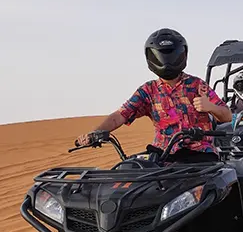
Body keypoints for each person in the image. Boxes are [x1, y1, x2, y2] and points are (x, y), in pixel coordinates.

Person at [75, 28, 232, 163]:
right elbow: (120, 115)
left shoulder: (197, 85)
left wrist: (210, 107)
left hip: (200, 155)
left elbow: (227, 116)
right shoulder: (148, 91)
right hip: (163, 155)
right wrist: (96, 133)